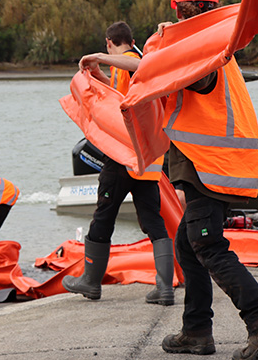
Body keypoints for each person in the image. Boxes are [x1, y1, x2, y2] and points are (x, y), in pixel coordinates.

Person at [159, 0, 258, 358]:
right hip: (220, 165)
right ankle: (196, 331)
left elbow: (194, 78)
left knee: (206, 244)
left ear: (180, 10)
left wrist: (174, 41)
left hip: (208, 165)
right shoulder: (217, 42)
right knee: (187, 244)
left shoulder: (203, 51)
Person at [62, 21, 175, 306]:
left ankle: (90, 281)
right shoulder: (124, 68)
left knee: (104, 215)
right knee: (152, 220)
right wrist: (100, 75)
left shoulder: (134, 61)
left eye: (105, 50)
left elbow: (137, 65)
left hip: (122, 155)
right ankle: (164, 287)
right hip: (147, 159)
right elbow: (117, 98)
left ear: (108, 42)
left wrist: (98, 59)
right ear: (131, 39)